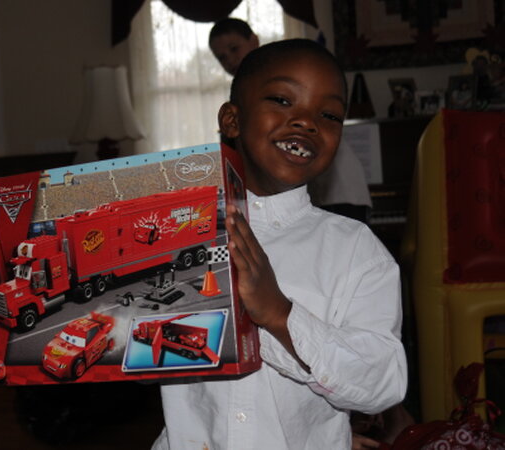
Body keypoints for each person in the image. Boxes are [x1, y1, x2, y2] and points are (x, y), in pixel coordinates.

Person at [152, 39, 407, 449]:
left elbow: (382, 384)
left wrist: (279, 315)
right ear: (232, 120)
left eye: (329, 115)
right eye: (283, 100)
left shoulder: (355, 250)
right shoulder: (176, 233)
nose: (307, 121)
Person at [209, 18, 372, 224]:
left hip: (340, 196)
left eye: (234, 48)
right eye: (222, 57)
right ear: (230, 121)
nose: (230, 60)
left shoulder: (293, 65)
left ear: (254, 40)